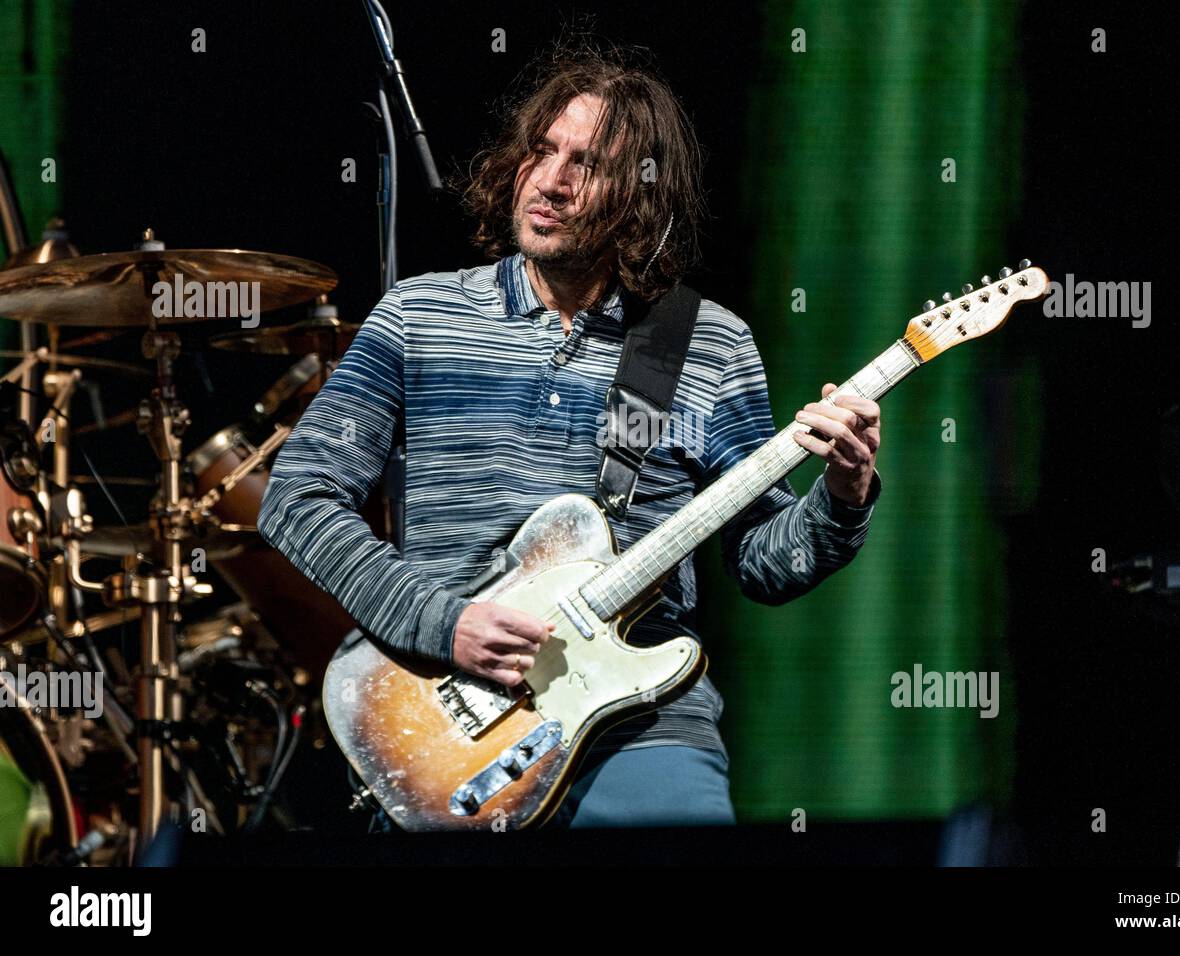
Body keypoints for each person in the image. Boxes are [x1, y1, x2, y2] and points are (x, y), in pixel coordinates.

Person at [258, 46, 882, 829]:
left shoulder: (704, 343)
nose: (550, 181)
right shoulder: (419, 318)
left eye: (586, 165)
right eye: (542, 151)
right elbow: (296, 497)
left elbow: (764, 563)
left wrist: (842, 495)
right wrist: (442, 623)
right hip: (447, 723)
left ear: (640, 199)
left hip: (644, 731)